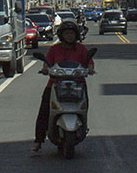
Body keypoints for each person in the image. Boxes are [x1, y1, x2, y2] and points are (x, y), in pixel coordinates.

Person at [31, 20, 95, 154]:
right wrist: (45, 69)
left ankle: (83, 125)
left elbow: (89, 62)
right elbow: (47, 63)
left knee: (85, 106)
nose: (69, 36)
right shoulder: (55, 49)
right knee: (44, 111)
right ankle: (38, 141)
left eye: (72, 33)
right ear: (61, 35)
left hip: (78, 85)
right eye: (67, 33)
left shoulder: (81, 49)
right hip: (55, 84)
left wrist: (89, 69)